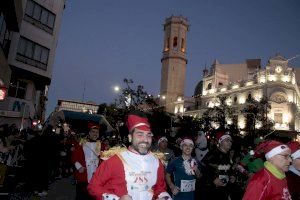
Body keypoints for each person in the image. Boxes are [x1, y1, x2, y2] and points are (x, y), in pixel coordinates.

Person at [88, 111, 172, 200]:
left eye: (148, 135)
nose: (145, 140)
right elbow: (93, 186)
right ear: (130, 137)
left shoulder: (156, 161)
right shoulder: (115, 161)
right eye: (140, 134)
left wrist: (164, 197)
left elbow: (160, 188)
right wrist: (115, 199)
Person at [71, 123, 102, 200]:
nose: (95, 134)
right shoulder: (82, 143)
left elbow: (104, 159)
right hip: (83, 175)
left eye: (97, 132)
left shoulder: (101, 145)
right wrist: (79, 167)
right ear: (89, 133)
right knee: (81, 197)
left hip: (96, 177)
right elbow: (74, 157)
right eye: (93, 132)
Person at [201, 131, 236, 200]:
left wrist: (232, 176)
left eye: (230, 141)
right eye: (227, 140)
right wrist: (213, 179)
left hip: (224, 190)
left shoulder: (227, 156)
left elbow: (228, 169)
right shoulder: (213, 153)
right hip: (213, 190)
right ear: (220, 142)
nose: (230, 142)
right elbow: (203, 167)